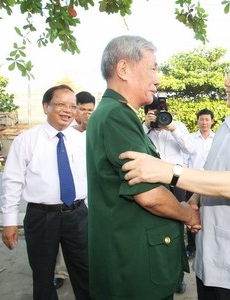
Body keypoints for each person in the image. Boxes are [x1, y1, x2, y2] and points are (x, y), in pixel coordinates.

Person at [119, 46, 230, 300]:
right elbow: (210, 173)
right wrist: (194, 200)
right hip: (209, 258)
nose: (226, 81)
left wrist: (167, 171)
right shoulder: (228, 125)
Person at [86, 35, 200, 300]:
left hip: (129, 255)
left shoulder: (116, 112)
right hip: (134, 264)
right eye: (153, 68)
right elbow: (148, 195)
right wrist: (187, 214)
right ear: (123, 69)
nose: (157, 78)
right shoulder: (116, 115)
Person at [1, 84, 90, 299]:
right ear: (46, 107)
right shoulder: (26, 140)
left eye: (72, 106)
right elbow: (12, 182)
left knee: (86, 274)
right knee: (43, 276)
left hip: (78, 215)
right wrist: (9, 221)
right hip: (41, 217)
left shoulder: (82, 140)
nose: (67, 110)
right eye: (60, 104)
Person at [143, 98, 195, 294]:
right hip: (152, 186)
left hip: (176, 183)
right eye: (154, 113)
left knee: (177, 233)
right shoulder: (143, 130)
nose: (159, 117)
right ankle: (155, 275)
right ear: (148, 113)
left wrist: (173, 129)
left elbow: (190, 149)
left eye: (161, 112)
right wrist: (146, 126)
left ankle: (178, 277)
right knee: (154, 233)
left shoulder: (177, 126)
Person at [54, 90, 96, 289]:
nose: (86, 113)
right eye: (82, 109)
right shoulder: (62, 130)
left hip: (87, 195)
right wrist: (83, 129)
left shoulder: (95, 129)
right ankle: (60, 273)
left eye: (90, 110)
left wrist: (90, 129)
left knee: (83, 244)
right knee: (61, 243)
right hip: (64, 200)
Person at [183, 108, 215, 259]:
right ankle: (191, 246)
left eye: (207, 120)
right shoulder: (190, 139)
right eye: (201, 119)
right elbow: (184, 160)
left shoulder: (217, 140)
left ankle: (208, 247)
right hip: (192, 183)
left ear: (212, 121)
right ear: (197, 121)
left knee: (209, 216)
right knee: (192, 214)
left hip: (210, 183)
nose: (204, 123)